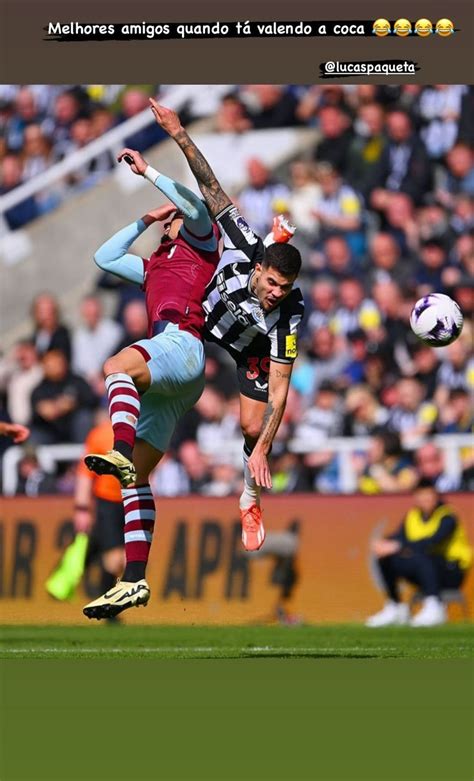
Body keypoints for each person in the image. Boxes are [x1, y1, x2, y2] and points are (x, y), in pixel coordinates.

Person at [149, 99, 304, 553]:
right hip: (203, 319)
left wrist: (261, 451)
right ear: (259, 269)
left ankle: (249, 498)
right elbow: (210, 184)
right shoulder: (242, 241)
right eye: (273, 283)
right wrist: (178, 132)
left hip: (249, 347)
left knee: (252, 428)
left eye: (285, 287)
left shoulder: (289, 312)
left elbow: (280, 391)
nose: (277, 292)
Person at [82, 145, 221, 620]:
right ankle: (133, 580)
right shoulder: (153, 268)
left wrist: (150, 174)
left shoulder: (202, 245)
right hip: (178, 374)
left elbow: (197, 206)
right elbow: (104, 256)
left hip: (181, 344)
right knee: (137, 480)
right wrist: (144, 219)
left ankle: (119, 445)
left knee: (115, 367)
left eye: (170, 220)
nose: (169, 223)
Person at [366, 479, 472, 627]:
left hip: (452, 571)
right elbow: (399, 537)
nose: (425, 500)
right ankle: (395, 606)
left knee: (422, 555)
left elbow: (431, 542)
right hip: (425, 572)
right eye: (422, 496)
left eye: (429, 495)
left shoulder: (448, 516)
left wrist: (396, 546)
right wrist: (383, 543)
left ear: (436, 496)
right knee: (386, 558)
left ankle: (434, 606)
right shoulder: (413, 515)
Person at [46, 413, 125, 602]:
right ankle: (107, 605)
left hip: (131, 502)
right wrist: (82, 509)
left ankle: (63, 577)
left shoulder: (144, 434)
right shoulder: (101, 435)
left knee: (96, 545)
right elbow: (84, 475)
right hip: (108, 502)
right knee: (116, 559)